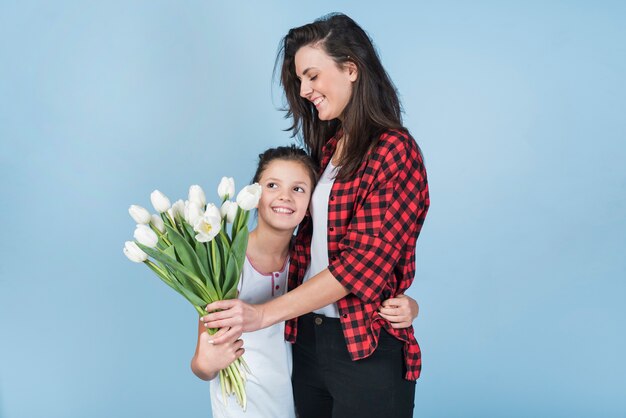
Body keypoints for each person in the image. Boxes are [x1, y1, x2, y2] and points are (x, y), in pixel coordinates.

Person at [202, 13, 429, 417]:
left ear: (351, 68)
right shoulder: (328, 148)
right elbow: (303, 239)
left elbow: (361, 266)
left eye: (312, 76)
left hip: (363, 343)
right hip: (307, 338)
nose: (305, 90)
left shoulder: (395, 151)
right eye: (299, 81)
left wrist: (260, 315)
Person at [191, 145, 419, 418]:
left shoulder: (308, 264)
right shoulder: (224, 263)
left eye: (298, 189)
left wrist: (410, 306)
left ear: (313, 202)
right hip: (242, 408)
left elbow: (352, 285)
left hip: (300, 403)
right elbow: (203, 364)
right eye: (272, 185)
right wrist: (206, 364)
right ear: (253, 194)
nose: (285, 197)